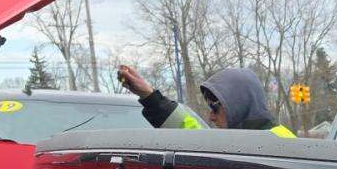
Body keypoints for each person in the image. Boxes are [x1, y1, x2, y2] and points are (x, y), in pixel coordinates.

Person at [116, 65, 295, 137]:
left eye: (215, 108)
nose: (210, 117)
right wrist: (149, 96)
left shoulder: (280, 144)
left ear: (237, 104)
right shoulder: (235, 141)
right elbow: (191, 133)